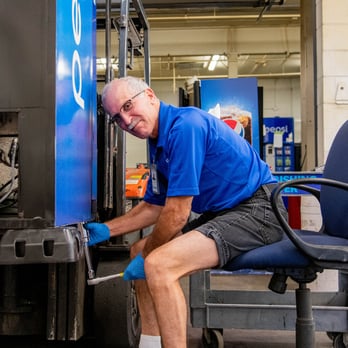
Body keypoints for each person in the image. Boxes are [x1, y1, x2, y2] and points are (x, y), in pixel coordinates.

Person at [85, 76, 287, 348]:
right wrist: (108, 230)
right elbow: (155, 206)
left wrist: (148, 256)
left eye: (128, 106)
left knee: (158, 264)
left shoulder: (185, 126)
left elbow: (178, 213)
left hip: (260, 211)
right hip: (226, 213)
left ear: (150, 95)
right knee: (139, 251)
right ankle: (150, 342)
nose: (126, 119)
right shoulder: (158, 144)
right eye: (117, 118)